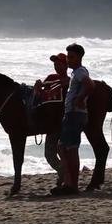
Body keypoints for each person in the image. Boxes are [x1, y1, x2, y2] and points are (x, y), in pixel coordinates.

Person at [51, 43, 94, 196]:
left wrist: (79, 99)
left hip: (75, 114)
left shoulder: (80, 71)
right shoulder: (75, 73)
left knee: (70, 148)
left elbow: (90, 85)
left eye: (71, 57)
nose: (68, 60)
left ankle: (72, 185)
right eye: (68, 57)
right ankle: (69, 183)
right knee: (63, 147)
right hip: (72, 113)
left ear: (79, 57)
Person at [34, 53, 70, 184]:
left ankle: (65, 176)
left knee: (62, 152)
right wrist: (37, 87)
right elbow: (40, 96)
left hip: (63, 123)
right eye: (55, 64)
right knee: (49, 154)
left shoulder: (69, 81)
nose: (56, 66)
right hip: (51, 123)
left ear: (66, 65)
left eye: (59, 63)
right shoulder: (51, 78)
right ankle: (63, 173)